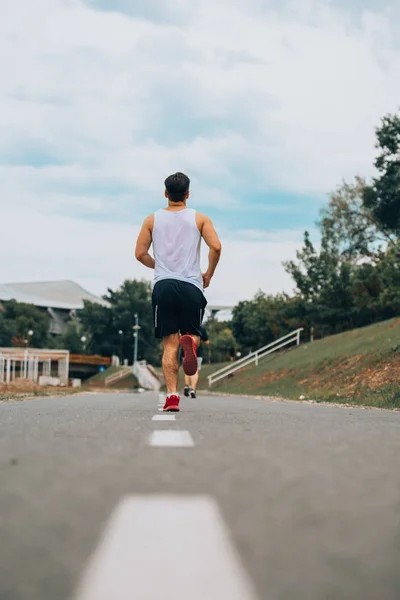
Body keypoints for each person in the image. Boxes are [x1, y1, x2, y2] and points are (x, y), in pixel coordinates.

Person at [134, 172, 222, 412]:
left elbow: (140, 253)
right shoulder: (200, 219)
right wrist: (209, 274)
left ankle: (172, 397)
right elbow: (216, 246)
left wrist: (159, 265)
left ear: (165, 194)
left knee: (169, 346)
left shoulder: (151, 220)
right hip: (191, 285)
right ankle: (191, 343)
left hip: (164, 286)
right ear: (188, 194)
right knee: (192, 334)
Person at [182, 325, 210, 399]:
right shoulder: (201, 327)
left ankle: (186, 386)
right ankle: (193, 389)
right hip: (198, 352)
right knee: (195, 371)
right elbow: (207, 342)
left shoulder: (183, 325)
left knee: (187, 370)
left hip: (185, 352)